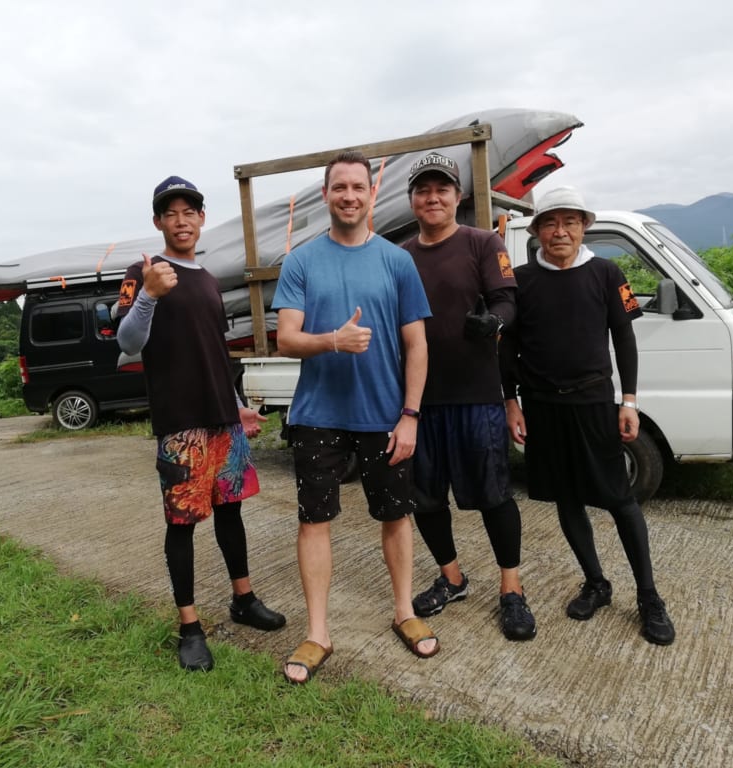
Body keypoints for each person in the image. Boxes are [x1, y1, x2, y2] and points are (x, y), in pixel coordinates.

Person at [272, 150, 439, 684]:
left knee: (396, 515)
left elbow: (418, 345)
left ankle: (404, 611)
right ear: (325, 195)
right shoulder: (301, 260)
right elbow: (286, 339)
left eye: (357, 188)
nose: (348, 196)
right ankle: (317, 632)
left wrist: (410, 415)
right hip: (318, 414)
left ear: (371, 195)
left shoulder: (397, 261)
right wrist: (332, 341)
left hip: (385, 416)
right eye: (338, 187)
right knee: (313, 520)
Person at [116, 175, 286, 672]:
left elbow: (215, 353)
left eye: (190, 211)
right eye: (171, 213)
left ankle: (243, 598)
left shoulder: (209, 280)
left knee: (231, 513)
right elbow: (127, 344)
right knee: (183, 524)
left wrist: (237, 405)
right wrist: (147, 295)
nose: (181, 220)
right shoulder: (142, 271)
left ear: (201, 219)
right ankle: (189, 626)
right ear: (158, 222)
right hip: (181, 424)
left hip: (222, 422)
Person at [500, 186, 675, 646]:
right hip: (542, 406)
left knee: (619, 499)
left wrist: (629, 401)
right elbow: (507, 347)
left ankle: (649, 596)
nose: (560, 231)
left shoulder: (606, 272)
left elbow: (625, 340)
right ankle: (596, 582)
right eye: (550, 223)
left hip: (595, 401)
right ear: (537, 231)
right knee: (566, 497)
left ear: (583, 227)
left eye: (570, 222)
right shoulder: (519, 282)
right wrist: (511, 400)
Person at [400, 152, 536, 641]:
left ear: (458, 197)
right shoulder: (403, 256)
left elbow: (507, 299)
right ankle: (452, 577)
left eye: (442, 189)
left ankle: (512, 590)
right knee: (426, 499)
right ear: (412, 200)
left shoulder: (483, 242)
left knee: (495, 496)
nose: (433, 197)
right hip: (419, 401)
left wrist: (494, 321)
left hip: (478, 396)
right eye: (423, 190)